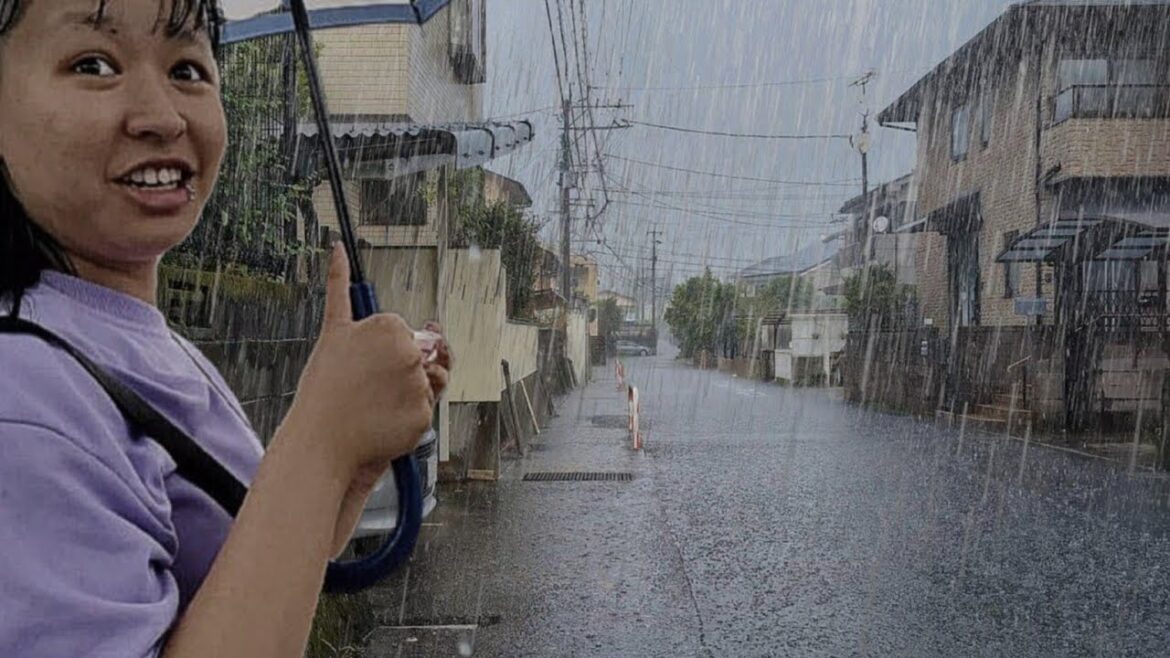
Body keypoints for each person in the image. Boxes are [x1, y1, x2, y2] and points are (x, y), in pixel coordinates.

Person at [0, 1, 451, 656]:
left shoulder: (149, 345)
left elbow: (255, 575)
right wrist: (322, 439)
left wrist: (355, 448)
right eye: (93, 64)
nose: (161, 115)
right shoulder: (21, 401)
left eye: (188, 67)